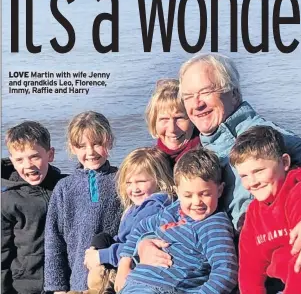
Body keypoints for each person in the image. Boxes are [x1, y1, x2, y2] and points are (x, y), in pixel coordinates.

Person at [138, 54, 301, 275]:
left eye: (206, 92)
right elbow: (183, 206)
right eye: (188, 96)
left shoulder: (260, 136)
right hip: (227, 263)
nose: (196, 104)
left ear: (234, 94)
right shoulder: (203, 145)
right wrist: (144, 243)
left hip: (272, 263)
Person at [114, 149, 238, 293]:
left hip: (167, 288)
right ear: (177, 191)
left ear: (220, 190)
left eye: (205, 194)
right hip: (136, 281)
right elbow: (141, 227)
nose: (196, 202)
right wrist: (125, 262)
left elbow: (225, 271)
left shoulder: (213, 225)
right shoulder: (171, 210)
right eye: (188, 195)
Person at [232, 126, 301, 294]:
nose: (252, 182)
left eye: (259, 171)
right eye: (244, 176)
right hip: (286, 283)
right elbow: (250, 267)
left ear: (285, 162)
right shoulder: (253, 212)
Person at [44, 111, 123, 293]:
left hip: (116, 278)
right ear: (72, 148)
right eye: (82, 146)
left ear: (109, 141)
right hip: (78, 281)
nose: (90, 152)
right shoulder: (64, 187)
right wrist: (57, 287)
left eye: (97, 144)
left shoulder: (123, 180)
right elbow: (54, 241)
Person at [83, 147, 176, 294]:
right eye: (128, 183)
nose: (134, 189)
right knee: (101, 239)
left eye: (141, 181)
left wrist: (101, 256)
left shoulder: (154, 209)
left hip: (135, 268)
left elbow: (134, 248)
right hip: (121, 256)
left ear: (159, 179)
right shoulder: (135, 208)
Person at [1, 121, 68, 294]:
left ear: (50, 154)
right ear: (12, 162)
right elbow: (3, 252)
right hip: (24, 285)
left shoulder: (65, 186)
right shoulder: (8, 197)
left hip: (64, 280)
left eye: (34, 156)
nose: (28, 165)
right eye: (19, 159)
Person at [145, 78, 201, 167]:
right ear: (154, 123)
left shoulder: (209, 156)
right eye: (164, 119)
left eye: (179, 118)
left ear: (193, 119)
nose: (172, 129)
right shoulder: (151, 164)